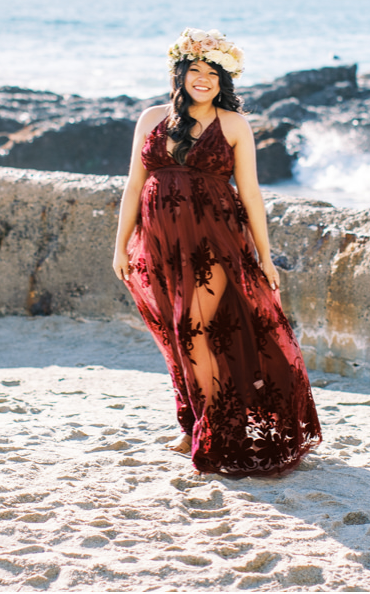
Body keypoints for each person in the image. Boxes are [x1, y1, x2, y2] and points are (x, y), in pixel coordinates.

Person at [112, 28, 322, 476]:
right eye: (195, 71)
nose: (202, 79)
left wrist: (264, 257)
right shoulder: (150, 118)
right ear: (180, 74)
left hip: (214, 243)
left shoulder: (233, 124)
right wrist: (121, 246)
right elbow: (134, 185)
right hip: (160, 244)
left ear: (223, 79)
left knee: (195, 328)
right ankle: (191, 425)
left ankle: (216, 431)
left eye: (212, 72)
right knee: (177, 336)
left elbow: (250, 194)